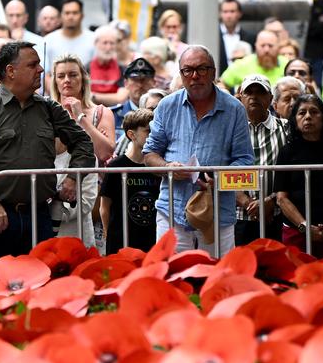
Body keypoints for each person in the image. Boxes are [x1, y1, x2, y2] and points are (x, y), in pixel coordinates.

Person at [0, 42, 94, 256]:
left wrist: (73, 177)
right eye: (33, 65)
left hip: (40, 215)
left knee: (42, 285)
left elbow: (84, 144)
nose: (41, 70)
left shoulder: (49, 108)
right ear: (11, 71)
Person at [143, 45, 255, 254]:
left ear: (213, 72)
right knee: (171, 276)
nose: (195, 76)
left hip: (218, 214)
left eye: (201, 69)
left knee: (217, 278)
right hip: (172, 211)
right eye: (188, 70)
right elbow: (149, 155)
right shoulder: (166, 106)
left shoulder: (234, 109)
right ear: (181, 74)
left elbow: (246, 161)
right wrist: (169, 168)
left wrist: (220, 179)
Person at [48, 54, 114, 246]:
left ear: (83, 78)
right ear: (54, 81)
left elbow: (103, 153)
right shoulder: (45, 113)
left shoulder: (101, 112)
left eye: (72, 74)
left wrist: (80, 117)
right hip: (55, 195)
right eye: (61, 76)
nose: (67, 80)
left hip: (93, 197)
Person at [275, 93, 323, 255]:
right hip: (296, 233)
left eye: (314, 112)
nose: (308, 117)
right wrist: (304, 226)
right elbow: (282, 198)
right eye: (302, 113)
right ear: (294, 119)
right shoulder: (287, 152)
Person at [233, 76, 288, 245]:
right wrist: (247, 203)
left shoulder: (287, 128)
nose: (254, 97)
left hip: (277, 215)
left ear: (270, 98)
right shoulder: (229, 131)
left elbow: (294, 172)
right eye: (248, 92)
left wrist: (271, 201)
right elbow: (221, 169)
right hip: (238, 216)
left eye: (260, 92)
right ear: (240, 97)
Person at [99, 108, 158, 253]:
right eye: (148, 131)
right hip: (121, 240)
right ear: (132, 134)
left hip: (151, 239)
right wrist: (109, 234)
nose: (153, 135)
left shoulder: (158, 165)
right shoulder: (116, 166)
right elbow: (104, 206)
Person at [221, 30, 287, 91]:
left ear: (278, 47)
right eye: (262, 45)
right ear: (256, 46)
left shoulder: (287, 65)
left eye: (270, 46)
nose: (266, 50)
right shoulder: (242, 64)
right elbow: (221, 84)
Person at [43, 0, 96, 69]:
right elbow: (45, 73)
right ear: (61, 16)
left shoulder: (94, 40)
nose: (71, 17)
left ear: (82, 15)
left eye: (75, 13)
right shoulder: (48, 41)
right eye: (67, 13)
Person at [88, 25, 125, 112]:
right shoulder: (85, 68)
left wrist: (93, 96)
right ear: (96, 43)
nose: (108, 48)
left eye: (112, 43)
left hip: (115, 113)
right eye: (105, 43)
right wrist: (111, 98)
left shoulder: (122, 69)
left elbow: (120, 99)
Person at [218, 0, 258, 65]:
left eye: (232, 11)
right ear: (220, 14)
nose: (229, 16)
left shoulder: (251, 37)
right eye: (225, 12)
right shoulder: (212, 38)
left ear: (239, 14)